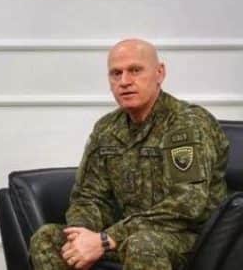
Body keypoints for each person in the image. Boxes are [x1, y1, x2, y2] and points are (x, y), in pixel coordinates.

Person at [29, 39, 229, 270]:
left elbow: (187, 205)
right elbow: (89, 197)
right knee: (47, 238)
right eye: (116, 73)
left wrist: (106, 239)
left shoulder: (186, 123)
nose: (124, 81)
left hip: (189, 239)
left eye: (135, 70)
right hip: (125, 236)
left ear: (159, 73)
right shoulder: (107, 128)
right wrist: (81, 237)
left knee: (142, 245)